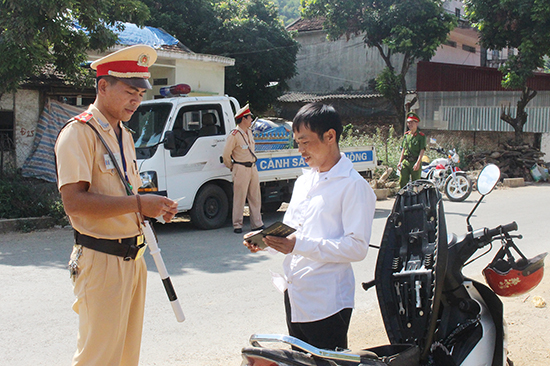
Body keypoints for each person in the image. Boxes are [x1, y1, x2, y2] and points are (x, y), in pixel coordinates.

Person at [55, 45, 179, 366]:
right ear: (103, 86)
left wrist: (151, 207)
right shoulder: (78, 134)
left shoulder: (123, 134)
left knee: (125, 358)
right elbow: (74, 203)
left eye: (140, 93)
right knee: (97, 358)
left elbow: (121, 195)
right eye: (129, 91)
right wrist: (139, 202)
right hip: (101, 259)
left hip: (133, 259)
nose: (136, 100)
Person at [244, 102, 376, 350]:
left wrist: (297, 245)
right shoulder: (305, 181)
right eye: (297, 143)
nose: (300, 150)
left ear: (330, 136)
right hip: (296, 294)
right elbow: (291, 231)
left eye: (306, 142)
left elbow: (357, 248)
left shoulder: (352, 186)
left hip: (327, 301)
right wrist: (266, 241)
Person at [222, 104, 264, 233]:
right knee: (240, 197)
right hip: (240, 167)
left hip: (252, 167)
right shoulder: (234, 134)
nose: (251, 120)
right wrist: (232, 167)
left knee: (255, 197)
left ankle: (257, 224)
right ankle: (237, 224)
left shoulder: (249, 132)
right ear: (243, 119)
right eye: (249, 117)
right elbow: (226, 154)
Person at [397, 112, 426, 188]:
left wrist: (418, 163)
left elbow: (422, 150)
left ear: (417, 123)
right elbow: (403, 149)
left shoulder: (421, 136)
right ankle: (403, 198)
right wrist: (400, 162)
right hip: (406, 162)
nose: (410, 125)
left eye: (412, 122)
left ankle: (415, 199)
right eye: (408, 123)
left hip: (415, 161)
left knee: (416, 184)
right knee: (402, 182)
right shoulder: (406, 135)